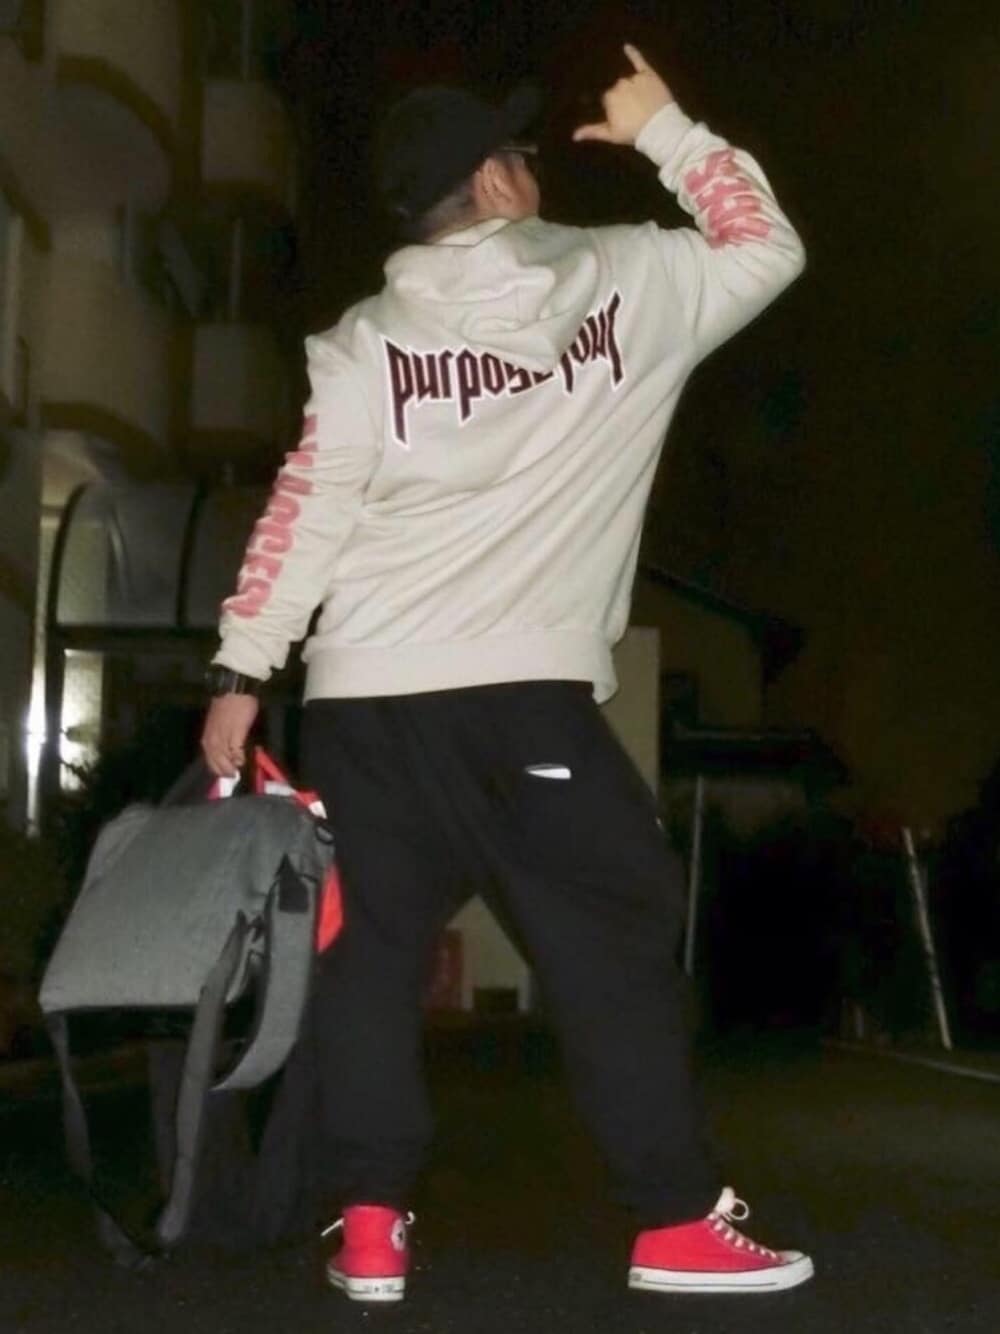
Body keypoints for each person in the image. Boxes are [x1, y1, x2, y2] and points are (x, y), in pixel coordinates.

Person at [202, 44, 812, 1302]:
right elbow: (765, 246)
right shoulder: (623, 280)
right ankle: (673, 1218)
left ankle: (370, 1223)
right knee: (613, 931)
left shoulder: (363, 342)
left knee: (368, 957)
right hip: (524, 698)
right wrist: (669, 130)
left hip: (363, 702)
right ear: (491, 181)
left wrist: (241, 669)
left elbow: (306, 507)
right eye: (519, 154)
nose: (532, 169)